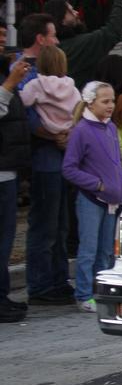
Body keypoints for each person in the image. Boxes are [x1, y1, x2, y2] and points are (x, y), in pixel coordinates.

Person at [18, 15, 74, 305]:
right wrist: (59, 136)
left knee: (60, 223)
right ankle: (41, 284)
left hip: (59, 156)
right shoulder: (23, 72)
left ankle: (58, 279)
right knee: (45, 224)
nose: (56, 40)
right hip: (44, 157)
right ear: (41, 38)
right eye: (53, 35)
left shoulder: (41, 78)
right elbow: (24, 117)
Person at [61, 81, 122, 313]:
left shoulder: (110, 127)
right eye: (105, 101)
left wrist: (120, 188)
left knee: (107, 250)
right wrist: (97, 184)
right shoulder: (82, 130)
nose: (110, 105)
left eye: (112, 101)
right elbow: (69, 168)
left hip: (112, 198)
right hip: (91, 198)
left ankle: (102, 291)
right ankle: (84, 294)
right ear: (91, 102)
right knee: (88, 248)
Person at [44, 0, 122, 89]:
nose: (76, 13)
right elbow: (113, 30)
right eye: (70, 11)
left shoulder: (54, 49)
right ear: (60, 20)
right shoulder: (78, 45)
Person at [0, 57, 32, 321]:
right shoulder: (7, 81)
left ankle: (3, 295)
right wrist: (10, 84)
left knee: (6, 240)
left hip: (8, 169)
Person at [20, 46, 81, 139]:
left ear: (39, 64)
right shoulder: (72, 86)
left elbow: (22, 101)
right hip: (69, 130)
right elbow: (79, 108)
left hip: (48, 130)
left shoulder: (37, 85)